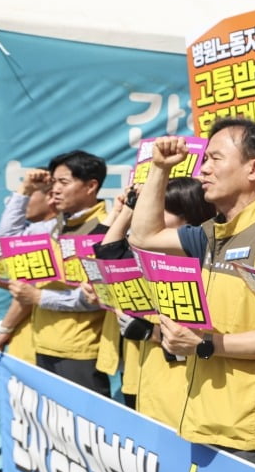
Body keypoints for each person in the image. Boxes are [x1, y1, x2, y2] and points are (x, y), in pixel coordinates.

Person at [129, 118, 255, 472]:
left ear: (254, 168)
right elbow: (144, 235)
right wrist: (159, 169)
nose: (203, 169)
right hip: (203, 417)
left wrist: (206, 344)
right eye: (204, 159)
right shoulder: (211, 233)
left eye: (215, 159)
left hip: (253, 431)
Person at [92, 178, 214, 418]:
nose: (146, 216)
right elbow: (107, 253)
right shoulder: (146, 256)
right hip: (142, 379)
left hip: (181, 391)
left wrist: (152, 333)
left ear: (188, 218)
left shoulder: (199, 266)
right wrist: (129, 208)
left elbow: (203, 342)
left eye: (159, 209)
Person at [8, 151, 111, 395]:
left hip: (79, 351)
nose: (55, 189)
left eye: (64, 182)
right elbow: (8, 240)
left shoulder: (104, 229)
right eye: (53, 182)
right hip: (43, 344)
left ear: (91, 186)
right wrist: (24, 190)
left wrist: (39, 298)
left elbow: (93, 298)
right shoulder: (55, 227)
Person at [0, 168, 58, 360]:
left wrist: (5, 326)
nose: (18, 202)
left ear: (51, 196)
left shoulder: (54, 233)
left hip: (52, 339)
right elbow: (25, 284)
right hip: (31, 336)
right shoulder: (32, 230)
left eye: (29, 194)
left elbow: (30, 290)